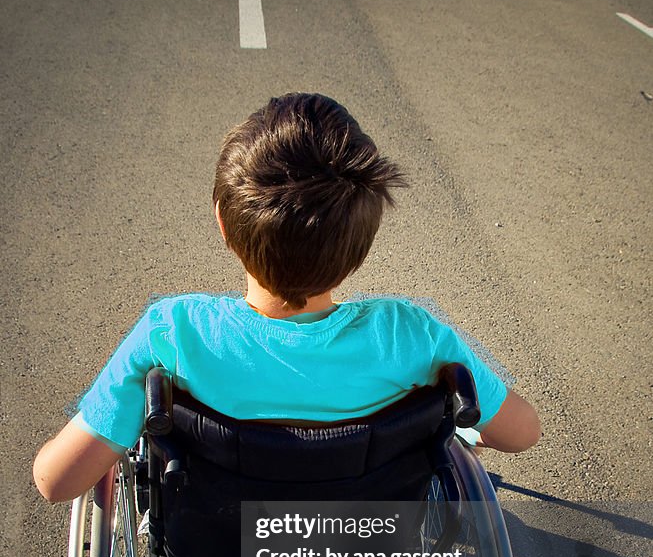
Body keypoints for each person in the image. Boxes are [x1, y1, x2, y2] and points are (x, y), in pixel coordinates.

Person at [33, 93, 540, 503]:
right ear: (360, 248)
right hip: (362, 547)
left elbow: (55, 482)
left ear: (223, 224)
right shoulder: (411, 334)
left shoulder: (175, 332)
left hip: (220, 553)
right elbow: (522, 433)